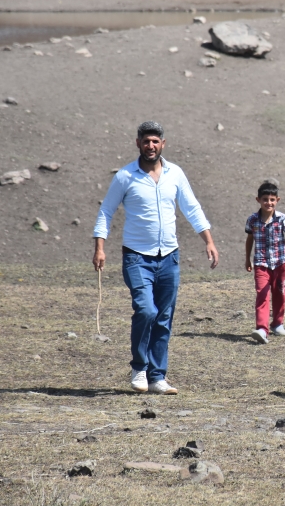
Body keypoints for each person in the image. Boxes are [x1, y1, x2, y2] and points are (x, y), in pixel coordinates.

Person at [93, 121, 219, 396]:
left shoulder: (175, 174)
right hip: (137, 257)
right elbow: (106, 212)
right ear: (137, 143)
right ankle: (139, 367)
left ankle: (157, 376)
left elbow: (192, 207)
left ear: (163, 144)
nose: (151, 146)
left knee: (163, 317)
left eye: (155, 141)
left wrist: (208, 241)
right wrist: (100, 247)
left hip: (169, 258)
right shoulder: (126, 176)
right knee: (146, 310)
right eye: (146, 141)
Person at [245, 180, 285, 344]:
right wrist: (247, 258)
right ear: (258, 200)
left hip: (280, 263)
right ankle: (262, 328)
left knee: (280, 293)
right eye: (265, 199)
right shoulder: (252, 220)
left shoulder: (282, 219)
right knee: (262, 293)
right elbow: (249, 240)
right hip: (261, 263)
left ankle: (277, 323)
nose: (269, 202)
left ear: (277, 200)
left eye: (272, 199)